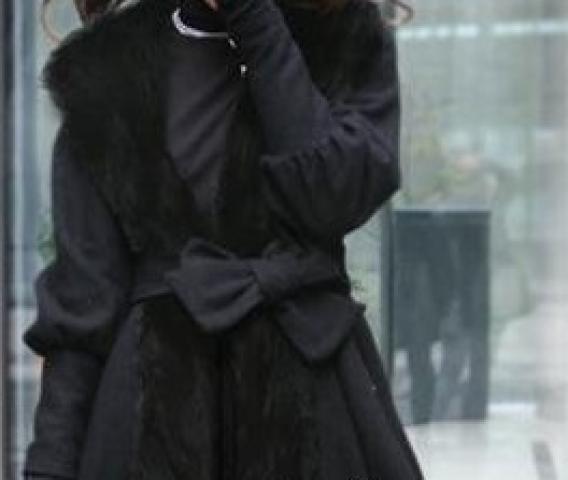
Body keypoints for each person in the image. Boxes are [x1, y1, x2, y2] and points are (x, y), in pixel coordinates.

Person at [23, 0, 424, 478]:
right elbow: (82, 307)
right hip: (151, 418)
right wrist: (48, 469)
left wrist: (254, 17)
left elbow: (331, 196)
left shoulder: (345, 39)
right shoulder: (109, 69)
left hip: (317, 410)